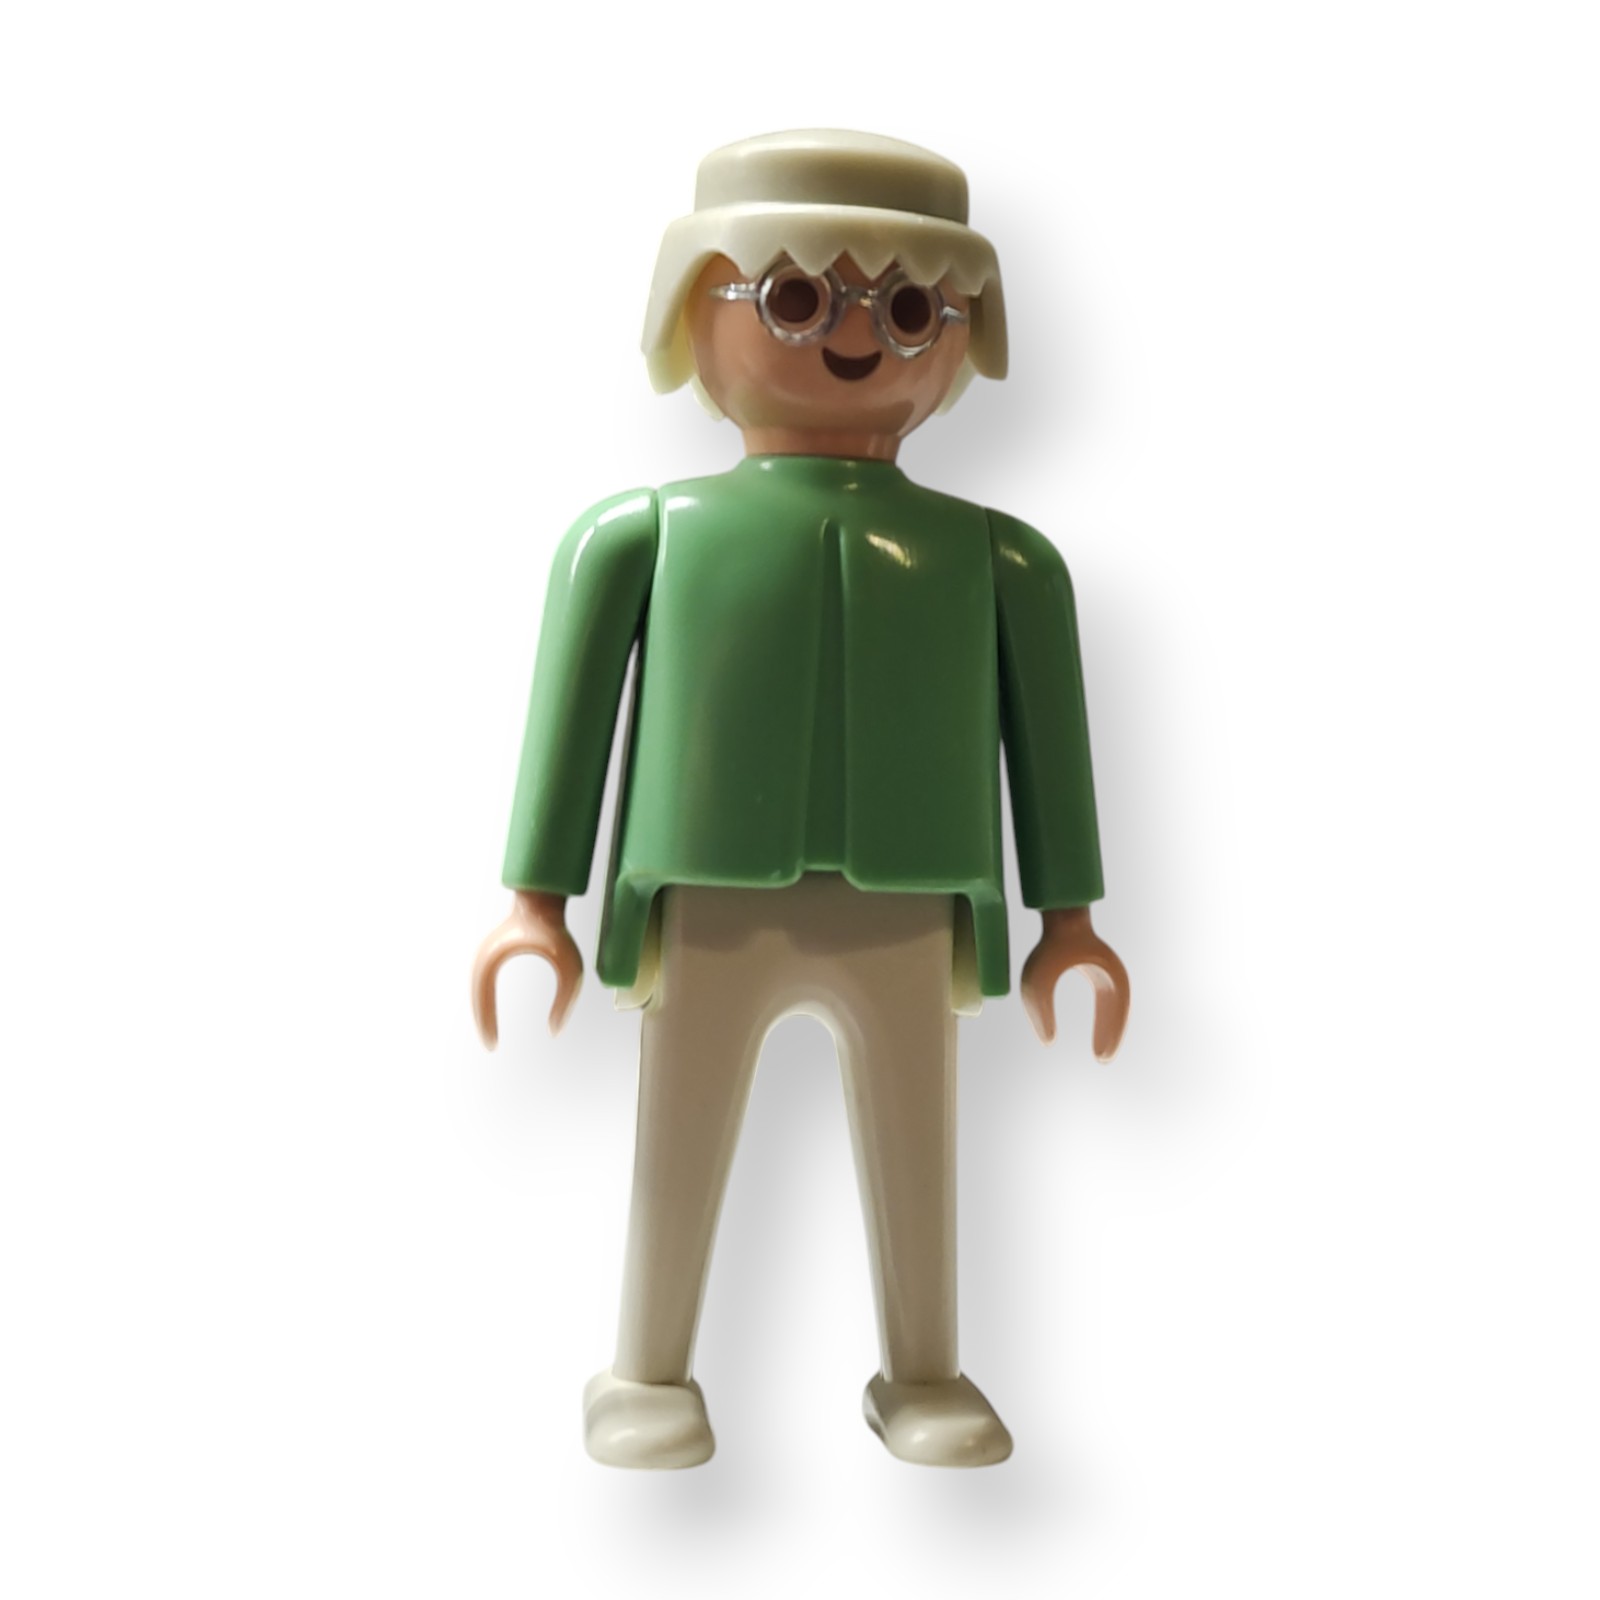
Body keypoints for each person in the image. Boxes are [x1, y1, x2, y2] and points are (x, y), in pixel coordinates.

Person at [471, 129, 1130, 1469]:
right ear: (694, 313)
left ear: (962, 335)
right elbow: (573, 717)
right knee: (678, 1137)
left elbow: (1049, 741)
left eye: (908, 308)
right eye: (791, 297)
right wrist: (535, 902)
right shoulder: (642, 535)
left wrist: (1071, 922)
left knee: (918, 1146)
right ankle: (648, 1373)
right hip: (707, 888)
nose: (856, 336)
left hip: (912, 896)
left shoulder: (1001, 561)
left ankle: (924, 1373)